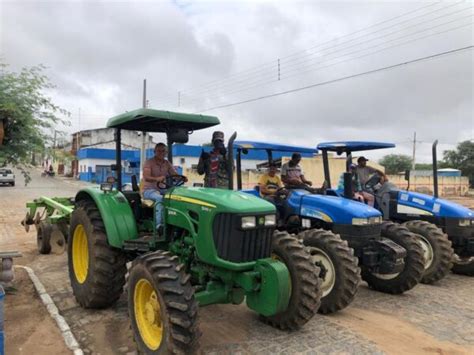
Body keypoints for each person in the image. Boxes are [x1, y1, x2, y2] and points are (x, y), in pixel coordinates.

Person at [142, 143, 182, 229]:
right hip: (148, 190)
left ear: (166, 152)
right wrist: (157, 179)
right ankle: (159, 225)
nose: (161, 153)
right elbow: (146, 177)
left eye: (163, 151)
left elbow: (174, 174)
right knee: (160, 198)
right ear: (154, 151)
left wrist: (181, 177)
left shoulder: (167, 163)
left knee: (176, 196)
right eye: (159, 151)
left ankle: (175, 223)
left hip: (161, 189)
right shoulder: (149, 163)